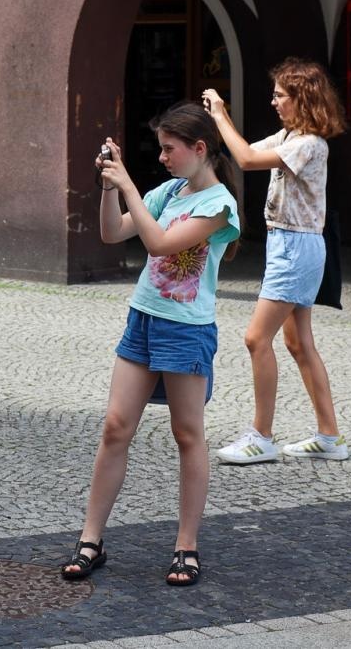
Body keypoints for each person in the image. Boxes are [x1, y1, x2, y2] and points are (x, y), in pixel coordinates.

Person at [62, 103, 242, 588]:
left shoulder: (218, 205)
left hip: (186, 329)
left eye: (169, 148)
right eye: (160, 148)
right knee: (116, 427)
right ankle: (90, 540)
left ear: (199, 149)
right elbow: (111, 232)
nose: (162, 157)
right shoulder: (170, 191)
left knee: (188, 436)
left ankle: (186, 546)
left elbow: (161, 244)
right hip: (143, 320)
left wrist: (128, 186)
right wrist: (108, 186)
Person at [202, 58, 350, 465]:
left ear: (301, 99)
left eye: (280, 95)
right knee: (298, 343)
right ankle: (329, 437)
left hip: (295, 248)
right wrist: (221, 121)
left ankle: (261, 436)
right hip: (290, 244)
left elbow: (247, 162)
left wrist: (219, 114)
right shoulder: (291, 136)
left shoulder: (309, 145)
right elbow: (245, 151)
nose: (274, 101)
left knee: (255, 338)